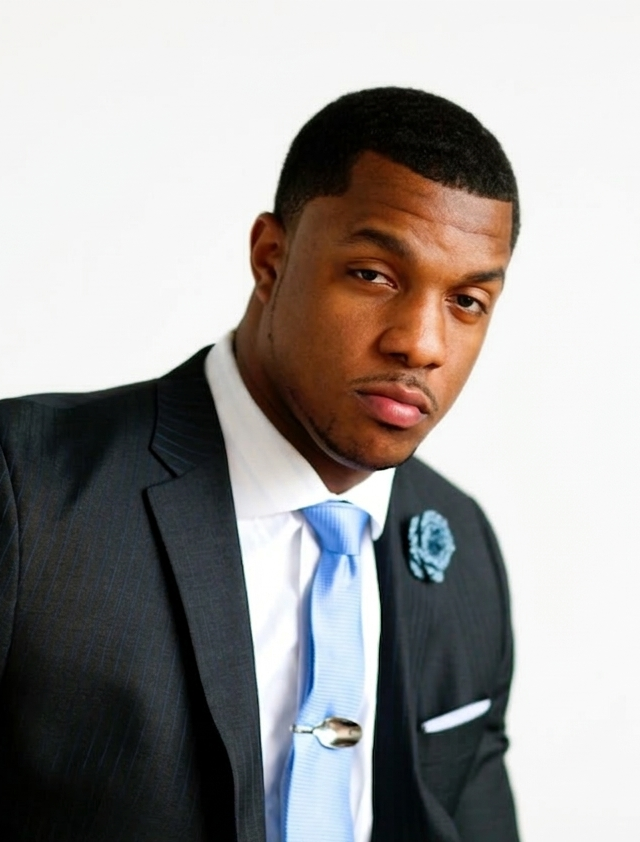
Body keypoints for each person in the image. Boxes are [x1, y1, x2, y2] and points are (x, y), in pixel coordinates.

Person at [0, 87, 520, 841]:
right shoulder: (29, 486)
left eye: (467, 301)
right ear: (271, 259)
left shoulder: (462, 545)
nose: (421, 343)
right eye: (374, 275)